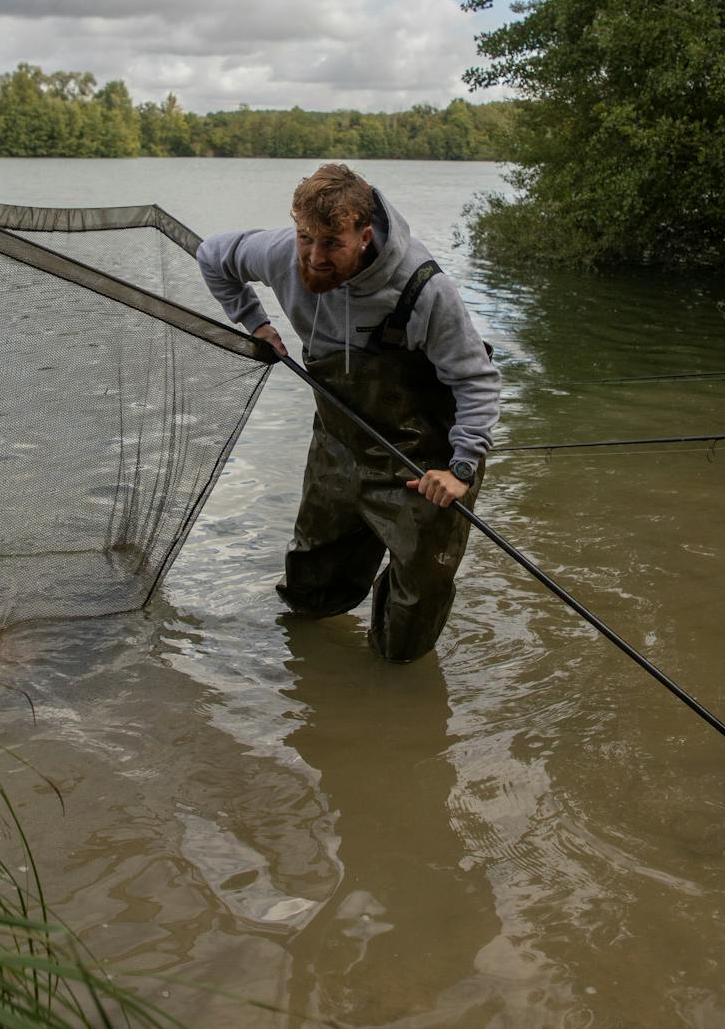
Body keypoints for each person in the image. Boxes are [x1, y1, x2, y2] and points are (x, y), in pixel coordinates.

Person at [196, 163, 500, 662]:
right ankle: (316, 682)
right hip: (340, 442)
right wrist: (255, 322)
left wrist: (461, 467)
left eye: (331, 244)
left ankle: (394, 698)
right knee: (311, 588)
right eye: (304, 238)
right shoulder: (280, 253)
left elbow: (477, 381)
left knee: (413, 613)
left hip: (425, 461)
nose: (313, 259)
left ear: (363, 235)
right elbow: (212, 257)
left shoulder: (423, 289)